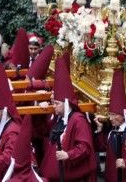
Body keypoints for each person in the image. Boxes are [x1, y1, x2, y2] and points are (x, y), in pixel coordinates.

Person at [39, 53, 97, 182]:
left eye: (56, 103)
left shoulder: (78, 120)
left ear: (65, 103)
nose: (54, 106)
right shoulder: (59, 118)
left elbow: (85, 147)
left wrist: (68, 155)